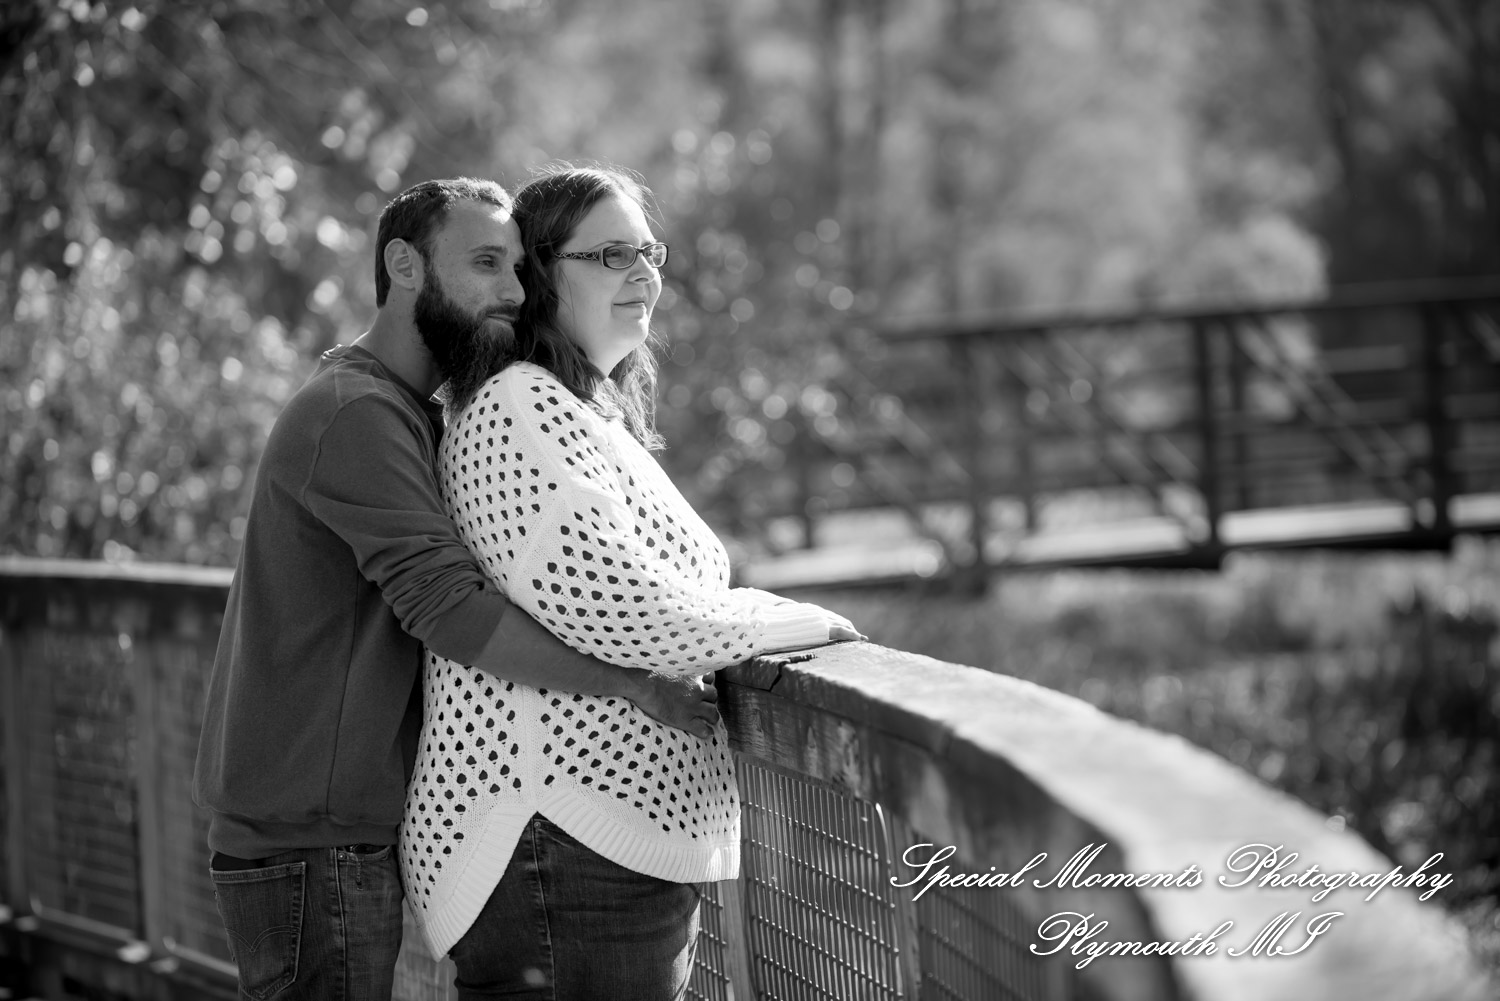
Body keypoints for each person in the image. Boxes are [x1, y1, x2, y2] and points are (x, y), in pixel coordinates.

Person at [193, 177, 720, 1001]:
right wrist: (631, 684)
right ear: (403, 265)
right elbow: (448, 609)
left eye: (517, 268)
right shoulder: (353, 412)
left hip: (333, 829)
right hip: (308, 838)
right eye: (483, 263)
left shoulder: (403, 409)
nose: (511, 292)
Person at [399, 165, 861, 1000]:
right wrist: (791, 622)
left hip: (589, 843)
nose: (644, 273)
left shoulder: (583, 411)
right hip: (558, 838)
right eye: (611, 254)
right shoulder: (517, 408)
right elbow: (623, 607)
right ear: (540, 273)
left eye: (649, 251)